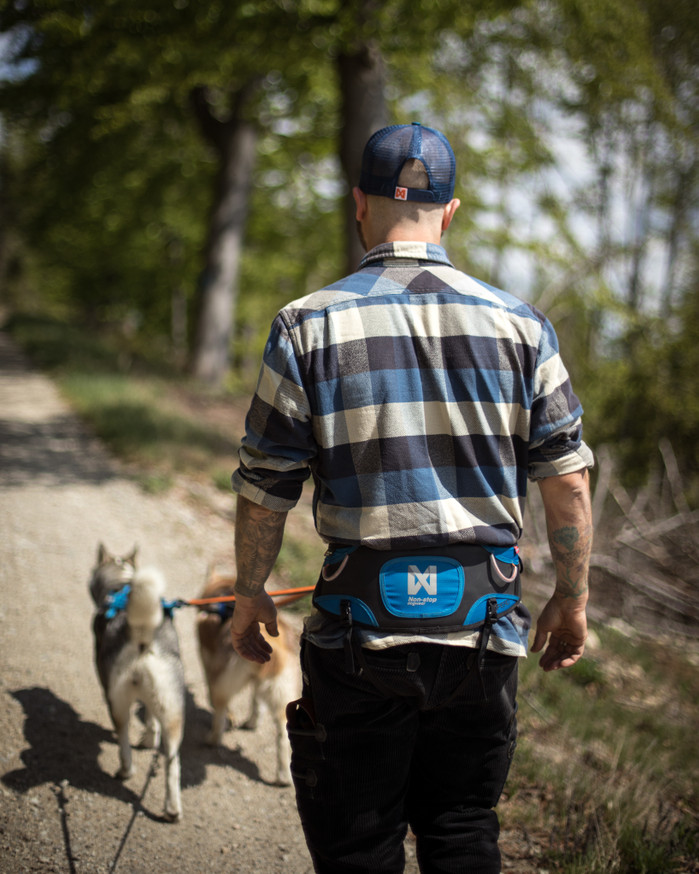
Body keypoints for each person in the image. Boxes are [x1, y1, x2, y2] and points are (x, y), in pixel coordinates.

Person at [229, 122, 594, 874]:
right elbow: (567, 481)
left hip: (360, 638)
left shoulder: (306, 324)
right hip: (482, 634)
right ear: (449, 212)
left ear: (357, 204)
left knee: (359, 844)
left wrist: (249, 594)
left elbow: (266, 483)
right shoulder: (523, 328)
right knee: (462, 829)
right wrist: (572, 596)